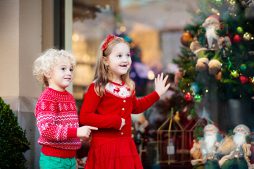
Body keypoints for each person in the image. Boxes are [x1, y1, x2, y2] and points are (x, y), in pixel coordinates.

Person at [79, 34, 170, 169]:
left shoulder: (128, 86)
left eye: (127, 55)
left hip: (125, 147)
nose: (125, 59)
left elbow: (136, 107)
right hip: (105, 148)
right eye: (119, 55)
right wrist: (114, 121)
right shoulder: (98, 87)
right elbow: (85, 117)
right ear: (105, 61)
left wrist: (156, 94)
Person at [33, 49, 98, 169]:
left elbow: (68, 128)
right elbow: (47, 130)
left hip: (71, 159)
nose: (69, 72)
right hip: (53, 161)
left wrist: (79, 135)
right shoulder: (47, 98)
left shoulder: (69, 97)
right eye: (63, 69)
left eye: (70, 69)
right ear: (48, 73)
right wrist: (76, 132)